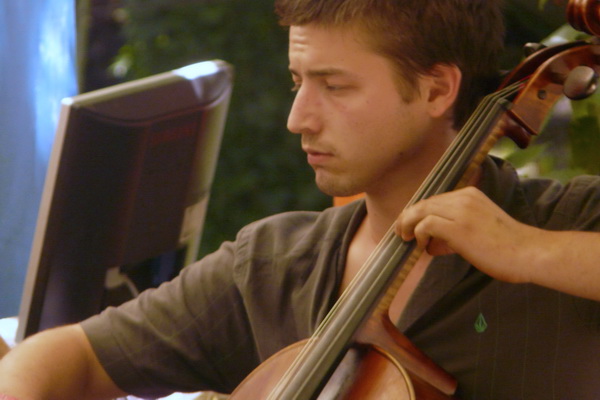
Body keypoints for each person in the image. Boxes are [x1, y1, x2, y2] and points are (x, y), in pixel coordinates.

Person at [2, 0, 600, 398]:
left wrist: (527, 251)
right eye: (298, 83)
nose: (298, 119)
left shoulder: (565, 223)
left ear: (435, 89)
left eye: (334, 86)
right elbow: (68, 357)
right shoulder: (274, 265)